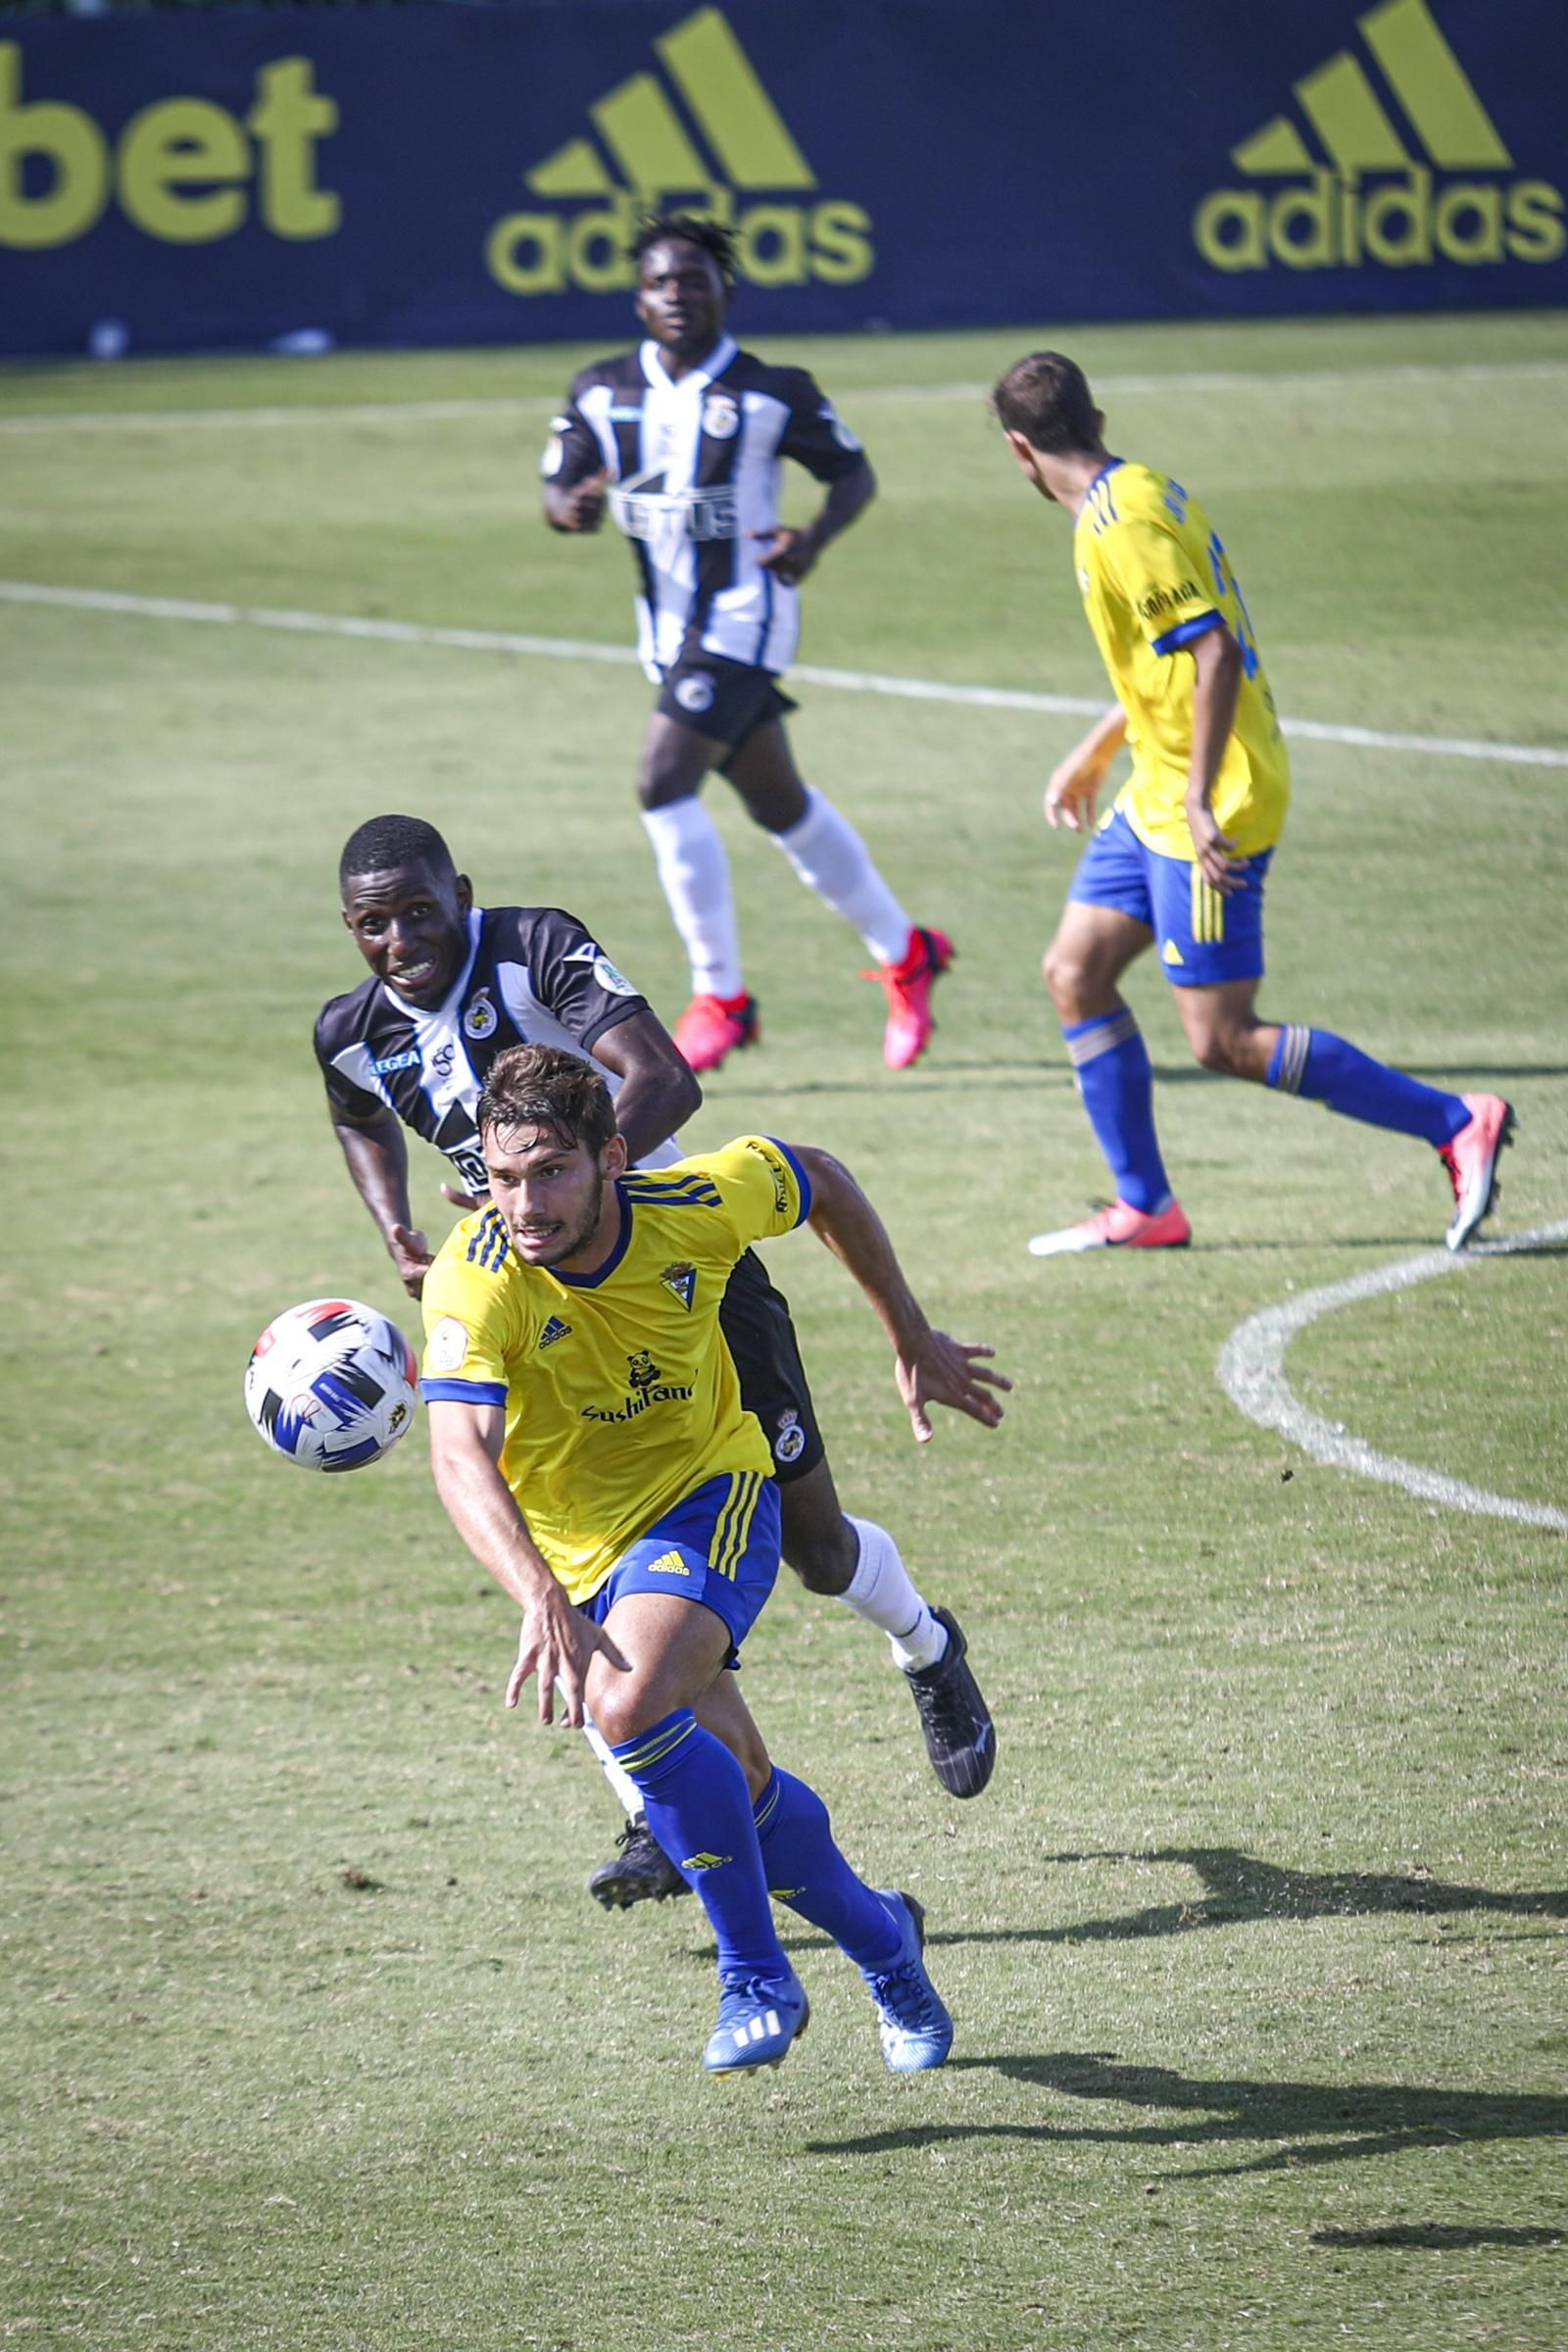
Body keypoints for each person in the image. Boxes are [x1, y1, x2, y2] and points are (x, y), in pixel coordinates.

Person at [315, 813, 1004, 1911]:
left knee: (818, 1554)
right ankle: (653, 1807)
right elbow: (356, 1112)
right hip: (540, 1320)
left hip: (692, 1289)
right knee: (586, 1566)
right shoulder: (351, 1031)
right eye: (372, 923)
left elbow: (665, 1075)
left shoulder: (535, 949)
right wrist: (395, 1218)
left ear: (462, 893)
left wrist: (589, 1206)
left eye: (419, 912)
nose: (400, 938)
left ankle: (924, 1646)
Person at [419, 1044, 966, 2074]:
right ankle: (887, 1940)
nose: (522, 1204)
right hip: (581, 1555)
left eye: (550, 1172)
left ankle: (753, 1972)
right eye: (500, 1177)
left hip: (709, 1498)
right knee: (739, 1780)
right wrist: (540, 1588)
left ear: (611, 1157)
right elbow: (457, 1455)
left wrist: (910, 1332)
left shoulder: (698, 1202)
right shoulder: (475, 1277)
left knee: (622, 1710)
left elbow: (825, 1182)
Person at [991, 351, 1513, 1257]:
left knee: (1223, 1038)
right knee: (1074, 973)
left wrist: (1197, 801)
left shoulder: (1121, 526)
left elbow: (1215, 652)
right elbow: (1166, 656)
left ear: (1019, 450)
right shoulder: (1135, 491)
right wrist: (1096, 750)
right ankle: (1145, 1205)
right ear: (1098, 421)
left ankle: (1456, 1120)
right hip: (1157, 784)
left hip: (1215, 797)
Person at [540, 211, 952, 1076]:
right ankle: (905, 950)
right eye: (661, 282)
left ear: (728, 291)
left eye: (695, 279)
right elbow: (559, 487)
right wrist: (570, 508)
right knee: (780, 805)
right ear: (639, 299)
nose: (678, 295)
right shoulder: (599, 391)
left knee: (662, 783)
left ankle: (720, 995)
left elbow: (853, 473)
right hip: (667, 634)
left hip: (744, 617)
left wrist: (812, 538)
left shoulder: (773, 393)